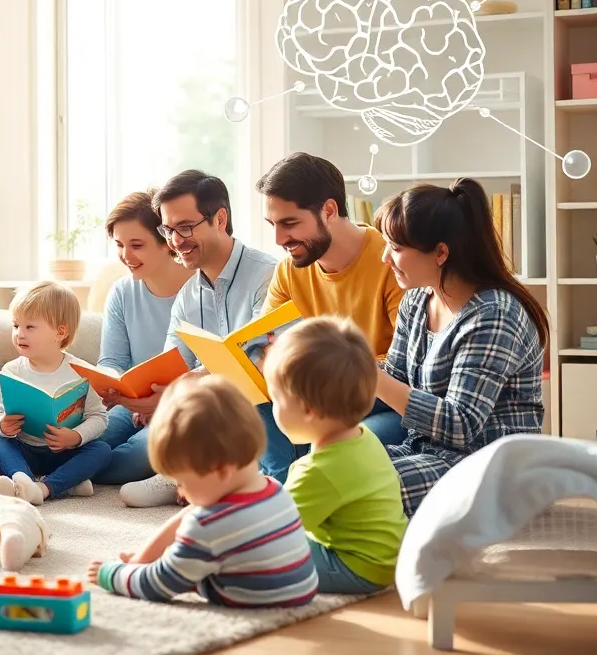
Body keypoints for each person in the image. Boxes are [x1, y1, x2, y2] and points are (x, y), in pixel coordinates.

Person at [373, 179, 547, 516]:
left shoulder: (494, 315)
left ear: (441, 252)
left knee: (361, 490)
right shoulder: (417, 300)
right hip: (425, 452)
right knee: (328, 474)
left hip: (490, 469)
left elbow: (461, 424)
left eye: (395, 247)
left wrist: (369, 376)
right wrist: (334, 364)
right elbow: (395, 378)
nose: (384, 258)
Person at [117, 170, 278, 508]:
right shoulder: (188, 294)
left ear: (220, 219)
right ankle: (193, 474)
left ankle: (200, 476)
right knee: (135, 450)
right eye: (168, 230)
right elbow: (172, 363)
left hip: (259, 407)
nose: (176, 241)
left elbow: (259, 357)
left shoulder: (268, 274)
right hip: (204, 413)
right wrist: (149, 392)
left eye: (186, 227)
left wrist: (190, 382)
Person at [87, 374, 318, 607]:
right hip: (297, 590)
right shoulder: (275, 489)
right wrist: (142, 559)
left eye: (181, 482)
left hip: (249, 597)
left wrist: (112, 574)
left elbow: (157, 585)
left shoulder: (208, 524)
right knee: (197, 533)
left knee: (182, 563)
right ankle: (156, 562)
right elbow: (192, 515)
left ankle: (168, 567)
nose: (181, 492)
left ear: (221, 471)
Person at [255, 152, 406, 482]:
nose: (279, 239)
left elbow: (406, 366)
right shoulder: (288, 272)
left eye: (289, 223)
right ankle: (280, 488)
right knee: (250, 393)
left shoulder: (392, 262)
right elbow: (265, 345)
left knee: (343, 450)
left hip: (374, 398)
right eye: (273, 225)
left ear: (329, 210)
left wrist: (322, 368)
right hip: (310, 397)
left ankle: (285, 490)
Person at [264, 317, 406, 595]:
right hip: (384, 559)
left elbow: (270, 532)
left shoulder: (317, 470)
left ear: (308, 410)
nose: (273, 407)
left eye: (277, 399)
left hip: (355, 567)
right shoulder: (363, 438)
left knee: (250, 556)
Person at [95, 190, 194, 486]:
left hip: (181, 404)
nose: (126, 256)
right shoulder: (122, 292)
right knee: (83, 445)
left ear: (166, 242)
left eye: (136, 245)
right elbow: (112, 360)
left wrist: (162, 402)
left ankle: (173, 472)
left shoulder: (200, 291)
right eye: (119, 245)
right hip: (130, 403)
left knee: (132, 457)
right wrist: (112, 385)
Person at [0, 282, 111, 504]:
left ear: (60, 332)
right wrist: (2, 425)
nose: (19, 334)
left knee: (101, 451)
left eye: (30, 327)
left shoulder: (82, 372)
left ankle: (45, 487)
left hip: (65, 452)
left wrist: (75, 437)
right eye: (16, 326)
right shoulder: (10, 371)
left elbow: (99, 417)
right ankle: (31, 482)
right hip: (26, 449)